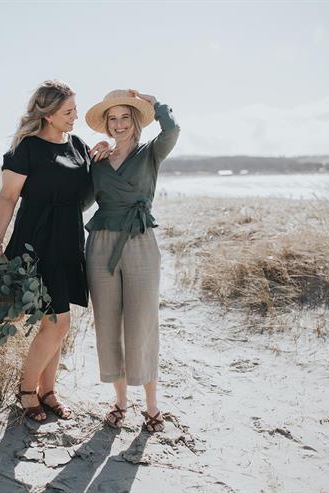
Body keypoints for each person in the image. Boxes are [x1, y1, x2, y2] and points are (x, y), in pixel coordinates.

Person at [0, 80, 96, 422]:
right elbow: (7, 196)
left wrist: (99, 158)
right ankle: (26, 391)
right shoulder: (27, 148)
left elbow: (85, 193)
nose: (75, 117)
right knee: (58, 322)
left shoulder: (78, 145)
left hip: (69, 240)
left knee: (56, 323)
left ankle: (48, 391)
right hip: (37, 242)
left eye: (75, 110)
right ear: (47, 115)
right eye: (68, 112)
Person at [84, 89, 180, 433]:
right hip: (101, 244)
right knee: (107, 323)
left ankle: (152, 406)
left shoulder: (150, 152)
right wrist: (86, 163)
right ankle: (121, 401)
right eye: (113, 119)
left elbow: (172, 131)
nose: (119, 124)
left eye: (125, 117)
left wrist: (156, 104)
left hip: (139, 239)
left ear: (136, 121)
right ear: (106, 125)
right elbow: (82, 203)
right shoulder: (98, 160)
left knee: (143, 322)